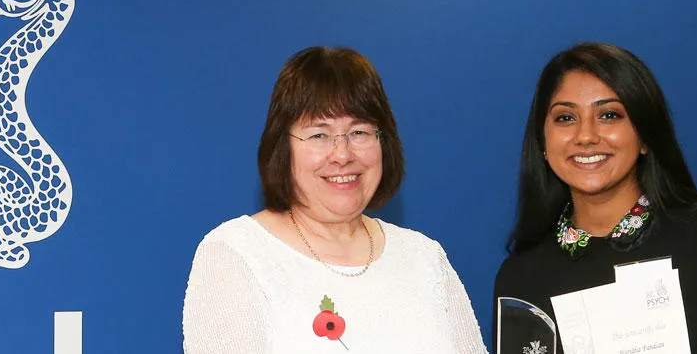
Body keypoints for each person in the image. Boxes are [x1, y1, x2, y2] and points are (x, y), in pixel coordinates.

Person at [494, 42, 697, 353]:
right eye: (566, 118)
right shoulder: (520, 280)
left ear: (645, 137)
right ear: (543, 141)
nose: (585, 136)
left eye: (609, 115)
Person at [183, 46, 486, 353]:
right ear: (283, 148)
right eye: (319, 135)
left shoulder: (424, 258)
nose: (342, 155)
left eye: (359, 132)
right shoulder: (236, 254)